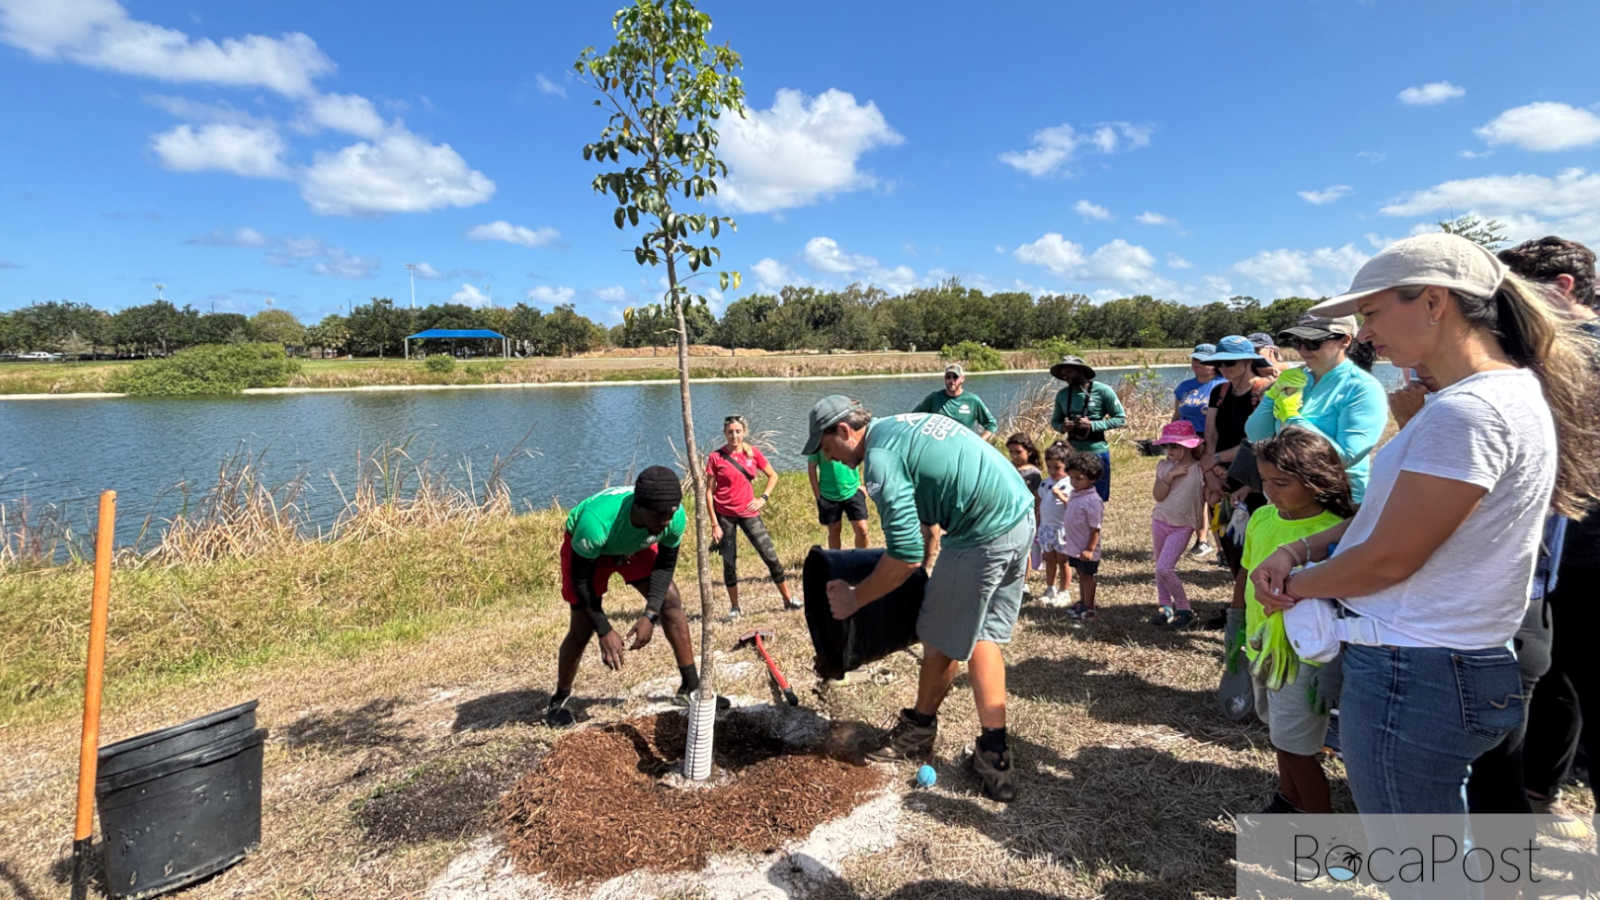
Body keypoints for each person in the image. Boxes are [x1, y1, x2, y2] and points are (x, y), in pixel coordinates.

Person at [1253, 232, 1600, 818]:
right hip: (1451, 658)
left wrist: (1291, 585)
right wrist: (1306, 548)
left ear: (1434, 302)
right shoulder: (1496, 396)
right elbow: (1403, 519)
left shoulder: (1468, 411)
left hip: (1415, 670)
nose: (1364, 332)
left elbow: (1390, 558)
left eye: (1371, 312)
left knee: (1416, 864)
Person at [806, 396, 1034, 802]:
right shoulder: (898, 423)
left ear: (844, 431)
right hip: (1019, 514)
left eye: (828, 449)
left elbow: (907, 556)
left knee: (939, 640)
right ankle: (994, 752)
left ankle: (918, 731)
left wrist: (856, 598)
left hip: (982, 533)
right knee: (982, 635)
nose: (833, 461)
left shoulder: (878, 458)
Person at [1499, 235, 1600, 835]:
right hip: (1568, 547)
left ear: (1562, 289)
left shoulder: (1572, 357)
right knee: (1560, 677)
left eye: (1521, 296)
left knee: (1562, 676)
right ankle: (1539, 788)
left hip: (1581, 548)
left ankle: (1533, 792)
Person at [546, 466, 725, 727]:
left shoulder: (672, 516)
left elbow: (664, 568)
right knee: (583, 626)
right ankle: (559, 699)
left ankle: (691, 687)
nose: (666, 522)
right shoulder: (595, 524)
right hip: (594, 549)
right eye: (660, 515)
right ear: (639, 507)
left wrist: (650, 615)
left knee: (671, 601)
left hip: (634, 542)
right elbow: (581, 582)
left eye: (670, 514)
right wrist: (604, 630)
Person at [1241, 428, 1355, 815]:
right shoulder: (1262, 516)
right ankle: (1288, 800)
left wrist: (1334, 667)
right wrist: (1235, 623)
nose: (1270, 491)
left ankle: (1318, 828)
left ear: (1317, 480)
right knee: (1281, 737)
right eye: (1265, 481)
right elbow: (1246, 570)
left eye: (1282, 483)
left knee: (1299, 750)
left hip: (1305, 660)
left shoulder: (1337, 534)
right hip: (1263, 647)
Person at [1245, 314, 1387, 503]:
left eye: (1313, 343)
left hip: (1337, 504)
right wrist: (1272, 395)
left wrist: (1292, 418)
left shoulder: (1362, 388)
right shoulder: (1298, 378)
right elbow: (1257, 435)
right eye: (1298, 342)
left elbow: (1345, 457)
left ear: (1345, 340)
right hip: (1287, 503)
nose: (1303, 350)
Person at [1200, 335, 1267, 634]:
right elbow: (1210, 434)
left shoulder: (1264, 392)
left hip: (1253, 481)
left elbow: (1257, 440)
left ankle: (1253, 609)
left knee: (1253, 548)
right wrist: (1211, 475)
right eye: (1219, 363)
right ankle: (1239, 605)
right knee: (1229, 545)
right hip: (1219, 477)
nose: (1224, 368)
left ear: (1249, 361)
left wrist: (1216, 461)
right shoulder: (1220, 392)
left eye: (1231, 362)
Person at [706, 415, 798, 618]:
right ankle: (735, 607)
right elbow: (709, 492)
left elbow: (773, 475)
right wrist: (714, 523)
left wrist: (763, 498)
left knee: (770, 556)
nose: (734, 436)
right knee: (729, 562)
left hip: (749, 512)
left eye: (738, 431)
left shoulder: (752, 453)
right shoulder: (716, 457)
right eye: (730, 432)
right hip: (725, 515)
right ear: (725, 433)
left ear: (744, 433)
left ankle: (788, 599)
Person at [1148, 421, 1206, 628]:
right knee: (1159, 568)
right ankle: (1165, 608)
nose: (1169, 451)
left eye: (1174, 446)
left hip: (1183, 525)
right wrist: (1170, 476)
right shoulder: (1164, 466)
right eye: (1167, 446)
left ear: (1189, 446)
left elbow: (1208, 494)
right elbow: (1158, 495)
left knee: (1165, 568)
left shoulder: (1200, 469)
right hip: (1161, 520)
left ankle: (1184, 608)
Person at [1048, 355, 1125, 502]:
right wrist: (1063, 427)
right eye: (1063, 373)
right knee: (1072, 495)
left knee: (1098, 498)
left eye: (1068, 372)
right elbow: (1055, 422)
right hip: (1072, 452)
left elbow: (1120, 418)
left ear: (1080, 371)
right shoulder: (1062, 395)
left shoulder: (1103, 391)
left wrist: (1093, 425)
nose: (1065, 376)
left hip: (1097, 451)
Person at [1173, 343, 1221, 558]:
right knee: (1193, 493)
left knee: (1213, 493)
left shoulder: (1222, 385)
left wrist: (1209, 447)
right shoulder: (1184, 387)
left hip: (1212, 446)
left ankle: (1221, 545)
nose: (1197, 364)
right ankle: (1201, 539)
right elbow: (1177, 416)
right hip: (1187, 446)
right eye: (1195, 359)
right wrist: (1171, 442)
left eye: (1203, 360)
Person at [1059, 451, 1104, 621]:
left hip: (1085, 548)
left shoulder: (1092, 500)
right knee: (1080, 574)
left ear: (1091, 478)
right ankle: (1084, 601)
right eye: (1072, 478)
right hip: (1075, 545)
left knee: (1087, 577)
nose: (1074, 482)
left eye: (1079, 478)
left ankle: (1090, 606)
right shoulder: (1076, 494)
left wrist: (1089, 549)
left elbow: (1095, 528)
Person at [913, 363, 997, 440]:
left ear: (962, 379)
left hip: (962, 447)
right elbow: (914, 417)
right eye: (948, 377)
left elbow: (991, 424)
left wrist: (979, 442)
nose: (951, 381)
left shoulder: (973, 400)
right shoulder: (934, 398)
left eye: (955, 377)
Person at [1035, 443, 1074, 606]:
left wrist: (1063, 498)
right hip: (1046, 527)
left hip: (1061, 528)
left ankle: (1064, 591)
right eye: (1049, 466)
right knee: (1049, 559)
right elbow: (1040, 503)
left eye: (1057, 467)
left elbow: (1073, 508)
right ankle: (1050, 588)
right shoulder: (1045, 483)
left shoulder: (1070, 484)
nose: (1052, 471)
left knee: (1063, 560)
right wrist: (1037, 524)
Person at [808, 449, 870, 551]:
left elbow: (867, 457)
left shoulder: (850, 437)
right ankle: (836, 561)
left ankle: (861, 559)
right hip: (828, 494)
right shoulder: (819, 439)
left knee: (862, 530)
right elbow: (811, 467)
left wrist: (866, 484)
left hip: (853, 490)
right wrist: (818, 496)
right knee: (834, 531)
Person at [1005, 433, 1046, 582]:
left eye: (1018, 452)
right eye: (1011, 452)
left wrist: (1038, 518)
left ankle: (1024, 581)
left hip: (1026, 515)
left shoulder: (1033, 473)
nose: (1014, 456)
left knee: (1025, 550)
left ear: (1028, 452)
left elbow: (1037, 497)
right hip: (1009, 514)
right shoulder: (1007, 467)